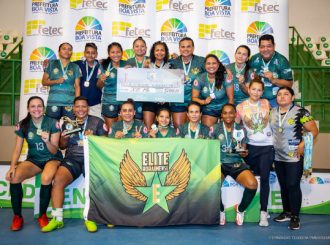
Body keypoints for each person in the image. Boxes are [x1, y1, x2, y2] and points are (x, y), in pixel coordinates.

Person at [41, 96, 108, 233]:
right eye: (77, 106)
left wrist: (93, 138)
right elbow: (62, 146)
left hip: (92, 158)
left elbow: (106, 143)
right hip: (73, 158)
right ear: (73, 108)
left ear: (88, 108)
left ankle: (91, 218)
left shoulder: (98, 122)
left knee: (97, 183)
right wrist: (64, 138)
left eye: (84, 106)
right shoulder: (67, 123)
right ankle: (57, 219)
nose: (80, 109)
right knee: (58, 180)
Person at [6, 96, 62, 231]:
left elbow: (55, 149)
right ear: (28, 109)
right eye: (33, 106)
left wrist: (47, 140)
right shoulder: (23, 124)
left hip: (52, 158)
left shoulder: (53, 123)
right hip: (34, 160)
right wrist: (12, 167)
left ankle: (42, 215)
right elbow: (18, 148)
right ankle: (18, 216)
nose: (36, 109)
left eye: (39, 106)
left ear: (44, 108)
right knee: (14, 177)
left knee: (46, 178)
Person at [269, 87, 318, 230]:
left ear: (292, 97)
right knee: (284, 185)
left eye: (286, 94)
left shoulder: (301, 112)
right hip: (278, 156)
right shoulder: (272, 112)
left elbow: (314, 130)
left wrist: (303, 143)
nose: (282, 97)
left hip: (294, 156)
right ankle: (287, 212)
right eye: (279, 94)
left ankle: (295, 217)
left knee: (292, 185)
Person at [236, 77, 274, 227]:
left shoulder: (266, 103)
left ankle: (263, 212)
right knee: (252, 179)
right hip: (250, 148)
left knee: (265, 178)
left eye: (259, 90)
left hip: (267, 146)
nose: (256, 92)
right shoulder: (240, 107)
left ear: (262, 92)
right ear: (248, 89)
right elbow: (237, 129)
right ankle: (245, 208)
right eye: (253, 89)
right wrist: (240, 148)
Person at [212, 103, 257, 226]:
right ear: (221, 115)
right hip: (219, 163)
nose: (228, 115)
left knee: (253, 184)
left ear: (235, 114)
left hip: (236, 163)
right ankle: (221, 210)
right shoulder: (215, 129)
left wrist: (243, 152)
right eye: (225, 113)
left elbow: (243, 150)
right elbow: (209, 149)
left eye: (231, 112)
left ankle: (240, 209)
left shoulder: (241, 129)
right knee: (212, 185)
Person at [249, 34, 293, 107]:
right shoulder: (254, 59)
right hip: (257, 100)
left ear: (274, 46)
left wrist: (273, 80)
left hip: (276, 101)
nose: (265, 49)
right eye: (262, 47)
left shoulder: (282, 60)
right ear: (259, 47)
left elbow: (289, 84)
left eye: (269, 46)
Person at [170, 37, 205, 128]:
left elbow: (216, 67)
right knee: (180, 130)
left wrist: (227, 71)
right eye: (183, 47)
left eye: (188, 46)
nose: (185, 49)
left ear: (193, 48)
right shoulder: (173, 62)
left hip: (195, 102)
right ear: (179, 48)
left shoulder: (201, 61)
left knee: (193, 131)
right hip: (178, 102)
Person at [192, 54, 234, 127]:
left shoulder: (226, 77)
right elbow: (194, 98)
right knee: (207, 132)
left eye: (214, 63)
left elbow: (231, 98)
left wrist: (228, 113)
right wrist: (203, 102)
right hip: (209, 109)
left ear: (218, 65)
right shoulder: (200, 78)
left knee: (227, 130)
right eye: (208, 63)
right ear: (205, 66)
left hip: (224, 108)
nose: (211, 66)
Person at [42, 42, 81, 119]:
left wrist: (77, 104)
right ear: (59, 51)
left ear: (71, 53)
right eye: (64, 49)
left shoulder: (75, 67)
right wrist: (56, 81)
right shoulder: (51, 63)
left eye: (69, 49)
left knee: (69, 128)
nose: (67, 51)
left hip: (69, 104)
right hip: (53, 102)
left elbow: (77, 86)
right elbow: (44, 82)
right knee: (52, 128)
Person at [143, 41, 171, 130]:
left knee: (163, 130)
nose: (159, 52)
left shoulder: (171, 66)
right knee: (148, 130)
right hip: (149, 101)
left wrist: (165, 97)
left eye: (162, 50)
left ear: (166, 52)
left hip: (164, 102)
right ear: (153, 52)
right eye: (157, 50)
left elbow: (173, 86)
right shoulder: (147, 65)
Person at [97, 42, 126, 128]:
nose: (115, 54)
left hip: (124, 102)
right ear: (109, 54)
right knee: (112, 131)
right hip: (109, 101)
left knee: (124, 131)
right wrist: (101, 80)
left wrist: (130, 71)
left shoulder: (127, 64)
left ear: (122, 53)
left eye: (118, 52)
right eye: (113, 52)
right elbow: (99, 86)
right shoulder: (103, 65)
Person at [75, 43, 102, 118]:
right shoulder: (78, 64)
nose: (90, 55)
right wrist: (49, 62)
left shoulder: (101, 65)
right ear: (84, 53)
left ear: (96, 54)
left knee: (95, 126)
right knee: (80, 126)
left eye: (93, 53)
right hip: (81, 105)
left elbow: (115, 63)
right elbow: (65, 64)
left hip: (95, 104)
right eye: (88, 52)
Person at [125, 37, 149, 121]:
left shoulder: (151, 60)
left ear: (146, 48)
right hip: (133, 98)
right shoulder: (128, 62)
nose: (139, 48)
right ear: (133, 48)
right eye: (137, 46)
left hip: (148, 97)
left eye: (142, 46)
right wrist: (125, 72)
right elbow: (124, 81)